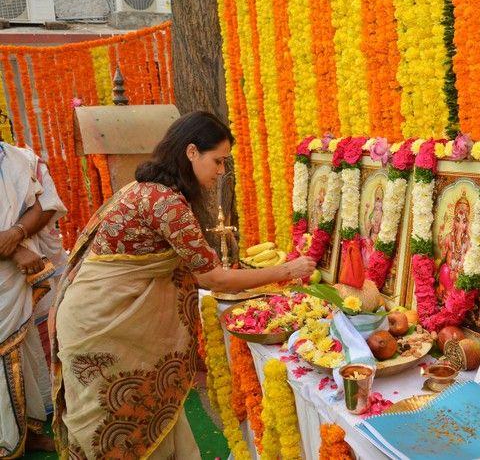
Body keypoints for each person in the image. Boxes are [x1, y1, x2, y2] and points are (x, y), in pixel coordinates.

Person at [50, 111, 316, 459]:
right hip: (103, 329)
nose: (221, 172)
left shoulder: (144, 188)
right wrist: (286, 270)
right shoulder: (166, 203)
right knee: (113, 428)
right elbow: (214, 278)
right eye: (218, 161)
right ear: (192, 152)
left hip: (98, 318)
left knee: (145, 416)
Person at [0, 141, 66, 456]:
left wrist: (16, 234)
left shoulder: (17, 158)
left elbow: (46, 203)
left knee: (24, 351)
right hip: (11, 267)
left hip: (13, 283)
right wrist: (16, 249)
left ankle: (29, 430)